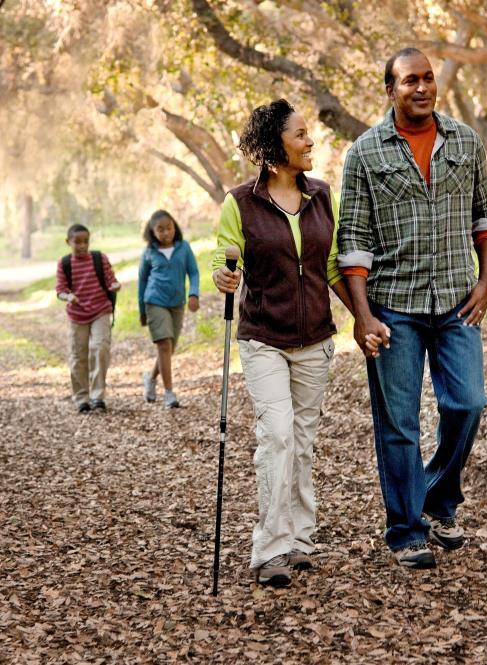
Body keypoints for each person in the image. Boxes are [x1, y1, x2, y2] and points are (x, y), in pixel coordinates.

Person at [337, 47, 487, 569]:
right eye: (410, 80)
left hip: (457, 301)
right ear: (390, 90)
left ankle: (436, 497)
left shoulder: (465, 141)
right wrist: (363, 316)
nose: (422, 87)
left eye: (428, 78)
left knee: (468, 403)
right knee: (399, 423)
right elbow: (353, 241)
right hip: (394, 309)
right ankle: (406, 530)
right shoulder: (364, 153)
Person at [212, 99, 354, 588]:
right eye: (300, 135)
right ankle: (270, 549)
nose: (310, 141)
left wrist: (366, 318)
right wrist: (222, 276)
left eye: (308, 133)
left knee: (302, 442)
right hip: (264, 338)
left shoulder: (321, 195)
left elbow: (332, 267)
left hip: (315, 338)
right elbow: (223, 256)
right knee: (277, 436)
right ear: (275, 148)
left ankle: (300, 539)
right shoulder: (241, 203)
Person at [138, 209, 200, 408]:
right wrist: (142, 310)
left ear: (175, 228)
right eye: (160, 229)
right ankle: (169, 393)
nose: (165, 233)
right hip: (154, 301)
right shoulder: (149, 252)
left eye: (169, 228)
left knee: (170, 348)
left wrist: (194, 294)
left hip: (177, 303)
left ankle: (151, 378)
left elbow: (194, 272)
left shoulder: (184, 248)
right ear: (152, 232)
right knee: (164, 345)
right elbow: (142, 281)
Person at [56, 223, 121, 413]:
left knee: (100, 348)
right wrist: (68, 297)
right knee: (78, 355)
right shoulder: (65, 263)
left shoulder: (100, 259)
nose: (82, 245)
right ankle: (82, 397)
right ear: (68, 242)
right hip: (77, 315)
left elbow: (110, 280)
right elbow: (60, 290)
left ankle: (97, 396)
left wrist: (115, 285)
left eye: (86, 241)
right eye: (78, 242)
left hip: (101, 310)